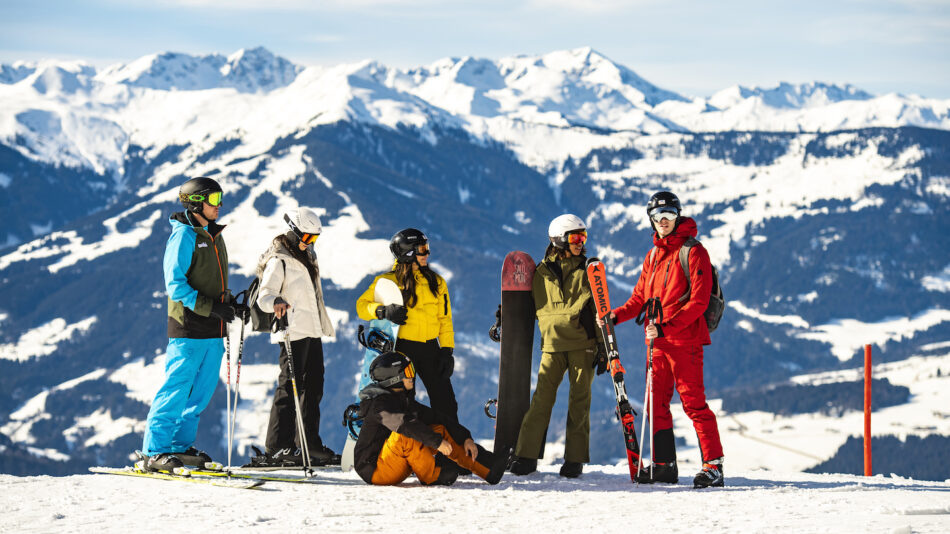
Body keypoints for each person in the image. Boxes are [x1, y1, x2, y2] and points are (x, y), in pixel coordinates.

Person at [605, 191, 725, 488]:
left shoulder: (693, 251)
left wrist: (666, 328)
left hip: (685, 342)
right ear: (651, 219)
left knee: (693, 403)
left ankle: (713, 466)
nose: (664, 221)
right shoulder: (654, 255)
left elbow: (698, 302)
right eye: (658, 216)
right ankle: (664, 465)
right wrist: (614, 316)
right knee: (655, 403)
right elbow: (639, 299)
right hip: (657, 343)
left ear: (678, 215)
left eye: (670, 214)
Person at [142, 176, 247, 471]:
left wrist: (228, 305)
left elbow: (215, 283)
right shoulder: (184, 236)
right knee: (177, 387)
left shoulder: (214, 235)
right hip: (188, 326)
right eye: (214, 199)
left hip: (214, 328)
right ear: (195, 202)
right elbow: (175, 286)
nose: (220, 205)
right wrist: (211, 307)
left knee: (200, 393)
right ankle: (155, 451)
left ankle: (178, 446)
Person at [508, 214, 607, 479]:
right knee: (541, 401)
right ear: (559, 239)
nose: (580, 242)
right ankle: (526, 456)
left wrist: (604, 347)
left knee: (579, 403)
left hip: (582, 345)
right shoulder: (539, 273)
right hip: (551, 345)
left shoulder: (588, 269)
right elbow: (524, 303)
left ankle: (574, 461)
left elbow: (600, 309)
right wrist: (503, 315)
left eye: (583, 237)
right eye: (575, 237)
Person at [245, 208, 340, 467]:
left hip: (310, 330)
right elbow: (265, 296)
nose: (311, 244)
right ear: (294, 232)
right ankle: (277, 447)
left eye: (314, 239)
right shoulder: (280, 259)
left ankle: (308, 444)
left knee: (313, 387)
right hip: (291, 331)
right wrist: (276, 301)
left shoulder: (306, 256)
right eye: (307, 238)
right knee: (290, 386)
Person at [354, 351, 508, 486]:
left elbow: (437, 417)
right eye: (408, 371)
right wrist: (437, 442)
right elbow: (405, 425)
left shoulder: (402, 400)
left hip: (395, 460)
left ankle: (489, 468)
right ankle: (432, 476)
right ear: (395, 378)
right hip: (375, 469)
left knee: (439, 429)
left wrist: (466, 437)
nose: (412, 376)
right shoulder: (379, 407)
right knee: (406, 434)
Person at [356, 228, 458, 421]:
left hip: (431, 349)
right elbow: (361, 306)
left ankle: (451, 447)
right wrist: (382, 311)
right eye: (422, 249)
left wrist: (447, 350)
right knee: (406, 403)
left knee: (446, 402)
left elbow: (445, 319)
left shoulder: (437, 282)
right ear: (408, 252)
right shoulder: (387, 281)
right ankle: (410, 447)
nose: (427, 253)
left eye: (426, 248)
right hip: (402, 350)